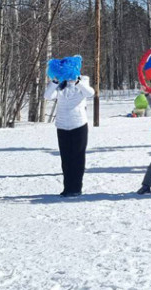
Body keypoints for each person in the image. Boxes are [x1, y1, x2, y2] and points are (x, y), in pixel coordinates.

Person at [44, 56, 94, 198]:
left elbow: (90, 93)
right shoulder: (59, 84)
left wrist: (76, 81)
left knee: (78, 157)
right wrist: (55, 81)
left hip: (78, 124)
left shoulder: (83, 80)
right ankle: (67, 188)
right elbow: (48, 96)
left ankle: (76, 187)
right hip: (62, 125)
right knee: (66, 158)